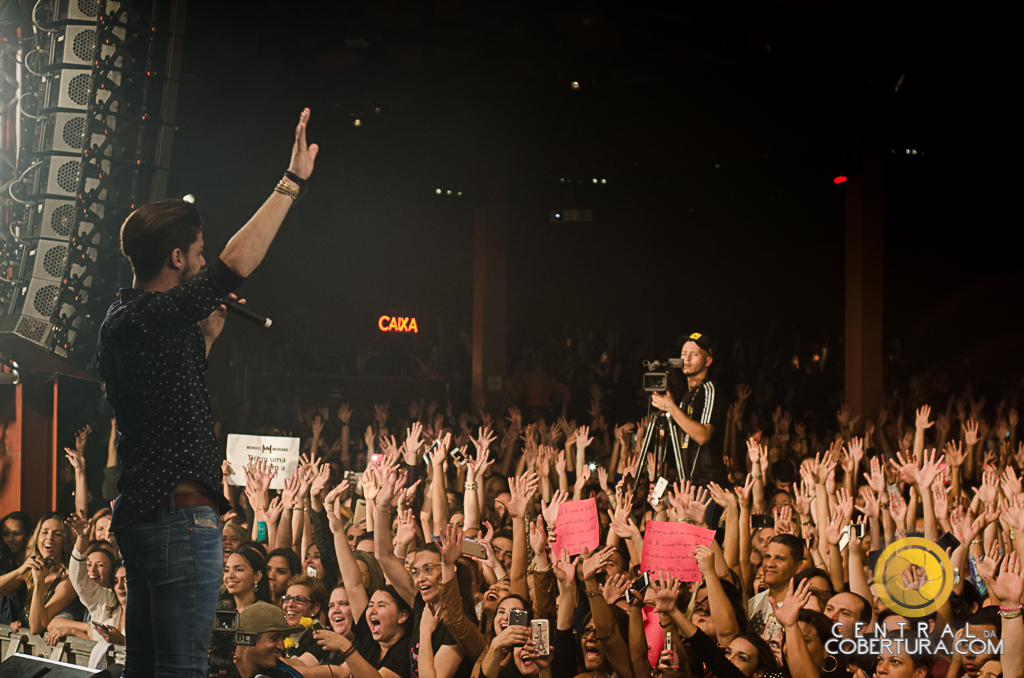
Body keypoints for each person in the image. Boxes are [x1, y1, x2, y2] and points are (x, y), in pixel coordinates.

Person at [96, 108, 317, 677]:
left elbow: (166, 400)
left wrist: (207, 342)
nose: (202, 261)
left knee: (146, 665)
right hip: (175, 518)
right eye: (196, 254)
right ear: (176, 259)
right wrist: (290, 183)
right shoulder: (144, 315)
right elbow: (233, 267)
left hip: (147, 515)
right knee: (181, 668)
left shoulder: (128, 320)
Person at [651, 332, 724, 524]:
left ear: (708, 361)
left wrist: (672, 408)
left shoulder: (709, 390)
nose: (687, 358)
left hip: (706, 486)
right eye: (684, 353)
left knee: (699, 545)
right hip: (687, 484)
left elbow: (703, 435)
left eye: (694, 354)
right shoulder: (685, 397)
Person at [232, 601, 306, 678]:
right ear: (246, 638)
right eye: (274, 639)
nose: (281, 647)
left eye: (283, 638)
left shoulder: (285, 674)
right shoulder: (221, 668)